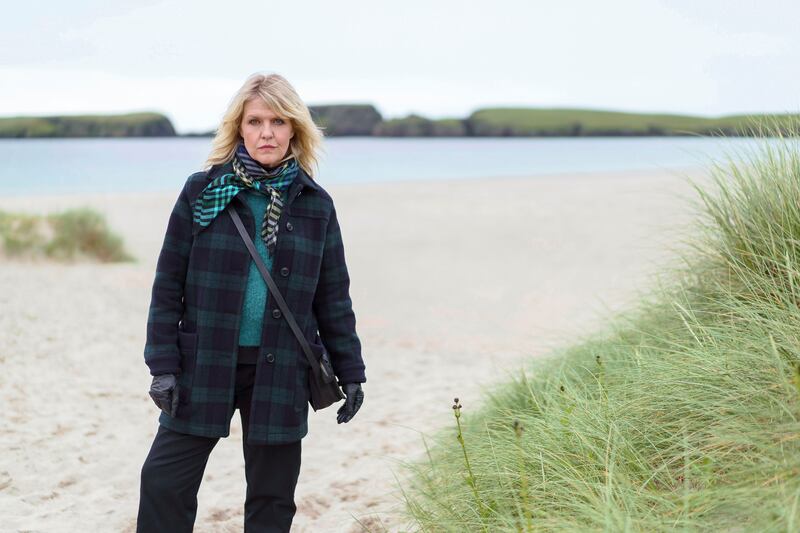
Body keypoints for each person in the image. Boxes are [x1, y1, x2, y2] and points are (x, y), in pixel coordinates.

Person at [136, 72, 366, 532]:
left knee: (272, 499)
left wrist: (352, 372)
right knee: (163, 482)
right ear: (239, 127)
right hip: (203, 361)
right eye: (256, 121)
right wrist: (162, 365)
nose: (267, 132)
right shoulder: (202, 192)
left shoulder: (316, 205)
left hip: (281, 368)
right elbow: (167, 288)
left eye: (278, 122)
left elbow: (333, 298)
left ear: (294, 130)